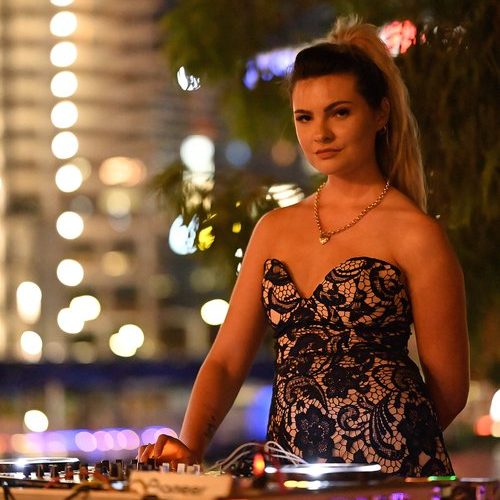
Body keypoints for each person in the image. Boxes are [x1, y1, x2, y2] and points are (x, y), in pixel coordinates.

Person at [139, 16, 469, 477]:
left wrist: (388, 436)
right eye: (304, 117)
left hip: (392, 470)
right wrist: (190, 443)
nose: (321, 134)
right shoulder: (274, 229)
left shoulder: (416, 233)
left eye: (340, 112)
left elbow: (451, 387)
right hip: (291, 470)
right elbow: (227, 359)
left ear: (380, 114)